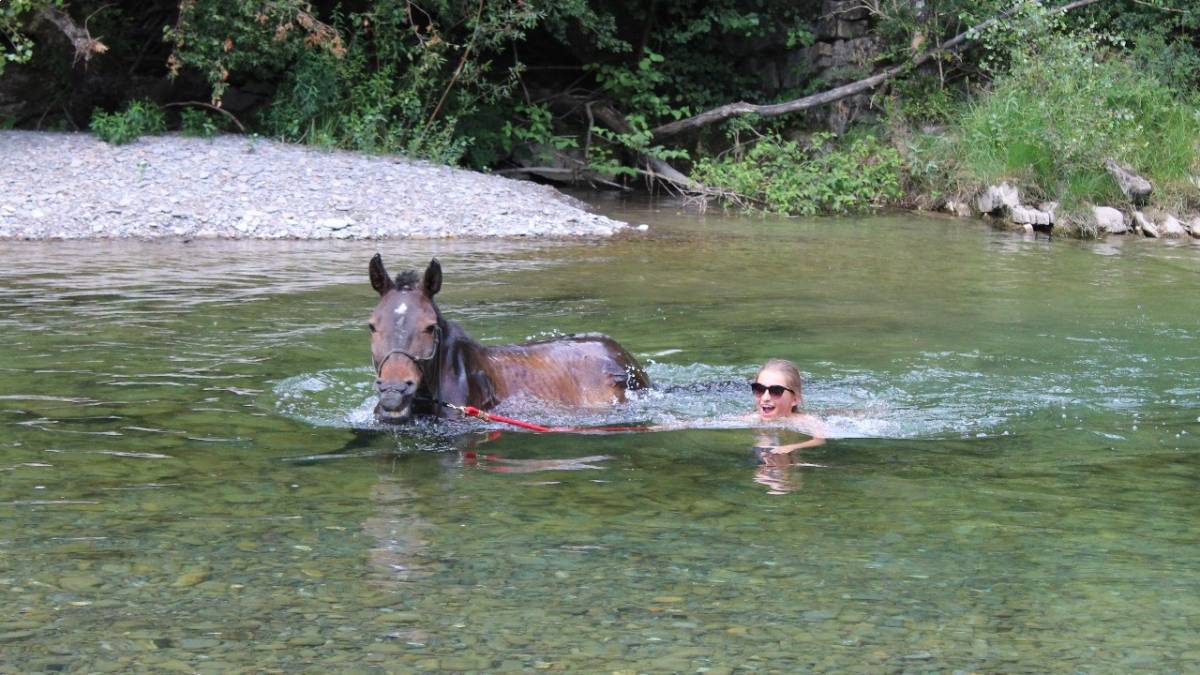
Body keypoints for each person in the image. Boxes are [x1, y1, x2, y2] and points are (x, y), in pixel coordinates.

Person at [747, 359, 827, 454]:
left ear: (795, 399)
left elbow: (819, 440)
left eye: (776, 391)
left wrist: (792, 447)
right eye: (759, 389)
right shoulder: (751, 419)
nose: (765, 398)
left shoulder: (807, 421)